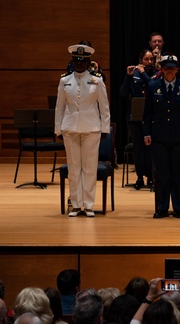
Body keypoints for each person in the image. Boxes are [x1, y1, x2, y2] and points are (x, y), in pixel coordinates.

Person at [55, 42, 111, 218]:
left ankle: (88, 205)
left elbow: (104, 107)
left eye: (83, 61)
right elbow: (60, 107)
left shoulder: (97, 80)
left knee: (89, 167)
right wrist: (58, 129)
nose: (79, 64)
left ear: (88, 62)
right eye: (76, 61)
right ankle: (75, 204)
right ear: (72, 62)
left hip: (91, 128)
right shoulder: (65, 80)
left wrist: (104, 129)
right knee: (74, 167)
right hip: (70, 128)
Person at [144, 54, 180, 219]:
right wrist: (146, 132)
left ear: (177, 69)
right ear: (161, 69)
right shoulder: (153, 86)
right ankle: (161, 207)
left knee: (178, 174)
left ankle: (178, 208)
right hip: (158, 138)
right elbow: (147, 114)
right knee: (162, 175)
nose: (169, 71)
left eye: (172, 68)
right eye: (166, 68)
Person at [121, 49, 159, 190]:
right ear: (140, 60)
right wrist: (128, 77)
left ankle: (151, 177)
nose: (149, 62)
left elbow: (153, 88)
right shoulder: (134, 74)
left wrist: (143, 74)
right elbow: (123, 92)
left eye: (151, 60)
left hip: (151, 117)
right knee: (138, 148)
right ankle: (139, 177)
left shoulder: (156, 73)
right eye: (146, 59)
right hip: (135, 117)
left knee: (150, 148)